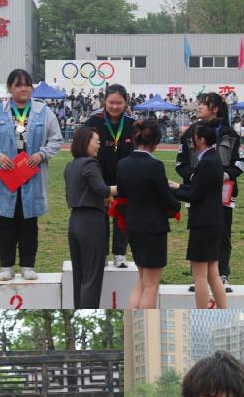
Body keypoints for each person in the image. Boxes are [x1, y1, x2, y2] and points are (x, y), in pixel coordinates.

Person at [0, 68, 63, 281]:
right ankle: (6, 266)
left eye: (27, 84)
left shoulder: (44, 112)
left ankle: (28, 265)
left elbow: (57, 139)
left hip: (32, 175)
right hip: (6, 175)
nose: (23, 88)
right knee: (5, 221)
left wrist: (42, 154)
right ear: (10, 88)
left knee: (29, 222)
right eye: (18, 85)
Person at [175, 92, 244, 292]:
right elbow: (181, 164)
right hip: (196, 191)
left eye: (203, 104)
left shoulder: (231, 134)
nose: (199, 107)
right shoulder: (190, 133)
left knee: (223, 233)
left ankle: (222, 275)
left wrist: (225, 175)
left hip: (224, 192)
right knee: (198, 233)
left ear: (215, 108)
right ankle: (199, 277)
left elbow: (239, 163)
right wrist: (196, 177)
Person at [116, 119, 181, 309]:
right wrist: (177, 204)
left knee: (143, 281)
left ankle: (132, 317)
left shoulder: (123, 164)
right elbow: (166, 199)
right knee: (151, 284)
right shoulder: (155, 166)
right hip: (154, 228)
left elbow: (122, 194)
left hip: (133, 225)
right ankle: (146, 320)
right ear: (155, 142)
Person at [170, 123, 229, 309]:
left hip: (203, 223)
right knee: (213, 273)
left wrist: (171, 192)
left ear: (201, 140)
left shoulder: (206, 161)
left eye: (194, 137)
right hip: (214, 221)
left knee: (200, 276)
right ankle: (224, 311)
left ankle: (202, 313)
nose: (191, 141)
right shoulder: (214, 157)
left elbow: (194, 195)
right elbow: (200, 188)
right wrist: (178, 186)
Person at [64, 126, 117, 307]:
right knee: (92, 278)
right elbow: (102, 190)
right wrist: (124, 186)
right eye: (97, 142)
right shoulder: (90, 164)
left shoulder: (70, 166)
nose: (99, 146)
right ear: (86, 142)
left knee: (79, 277)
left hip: (74, 222)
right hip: (91, 223)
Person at [86, 84, 135, 268]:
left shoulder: (132, 123)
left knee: (122, 216)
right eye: (111, 102)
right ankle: (102, 254)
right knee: (100, 218)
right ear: (104, 101)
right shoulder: (94, 120)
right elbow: (85, 149)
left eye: (119, 103)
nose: (115, 106)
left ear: (125, 102)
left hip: (124, 179)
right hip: (98, 177)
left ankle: (120, 254)